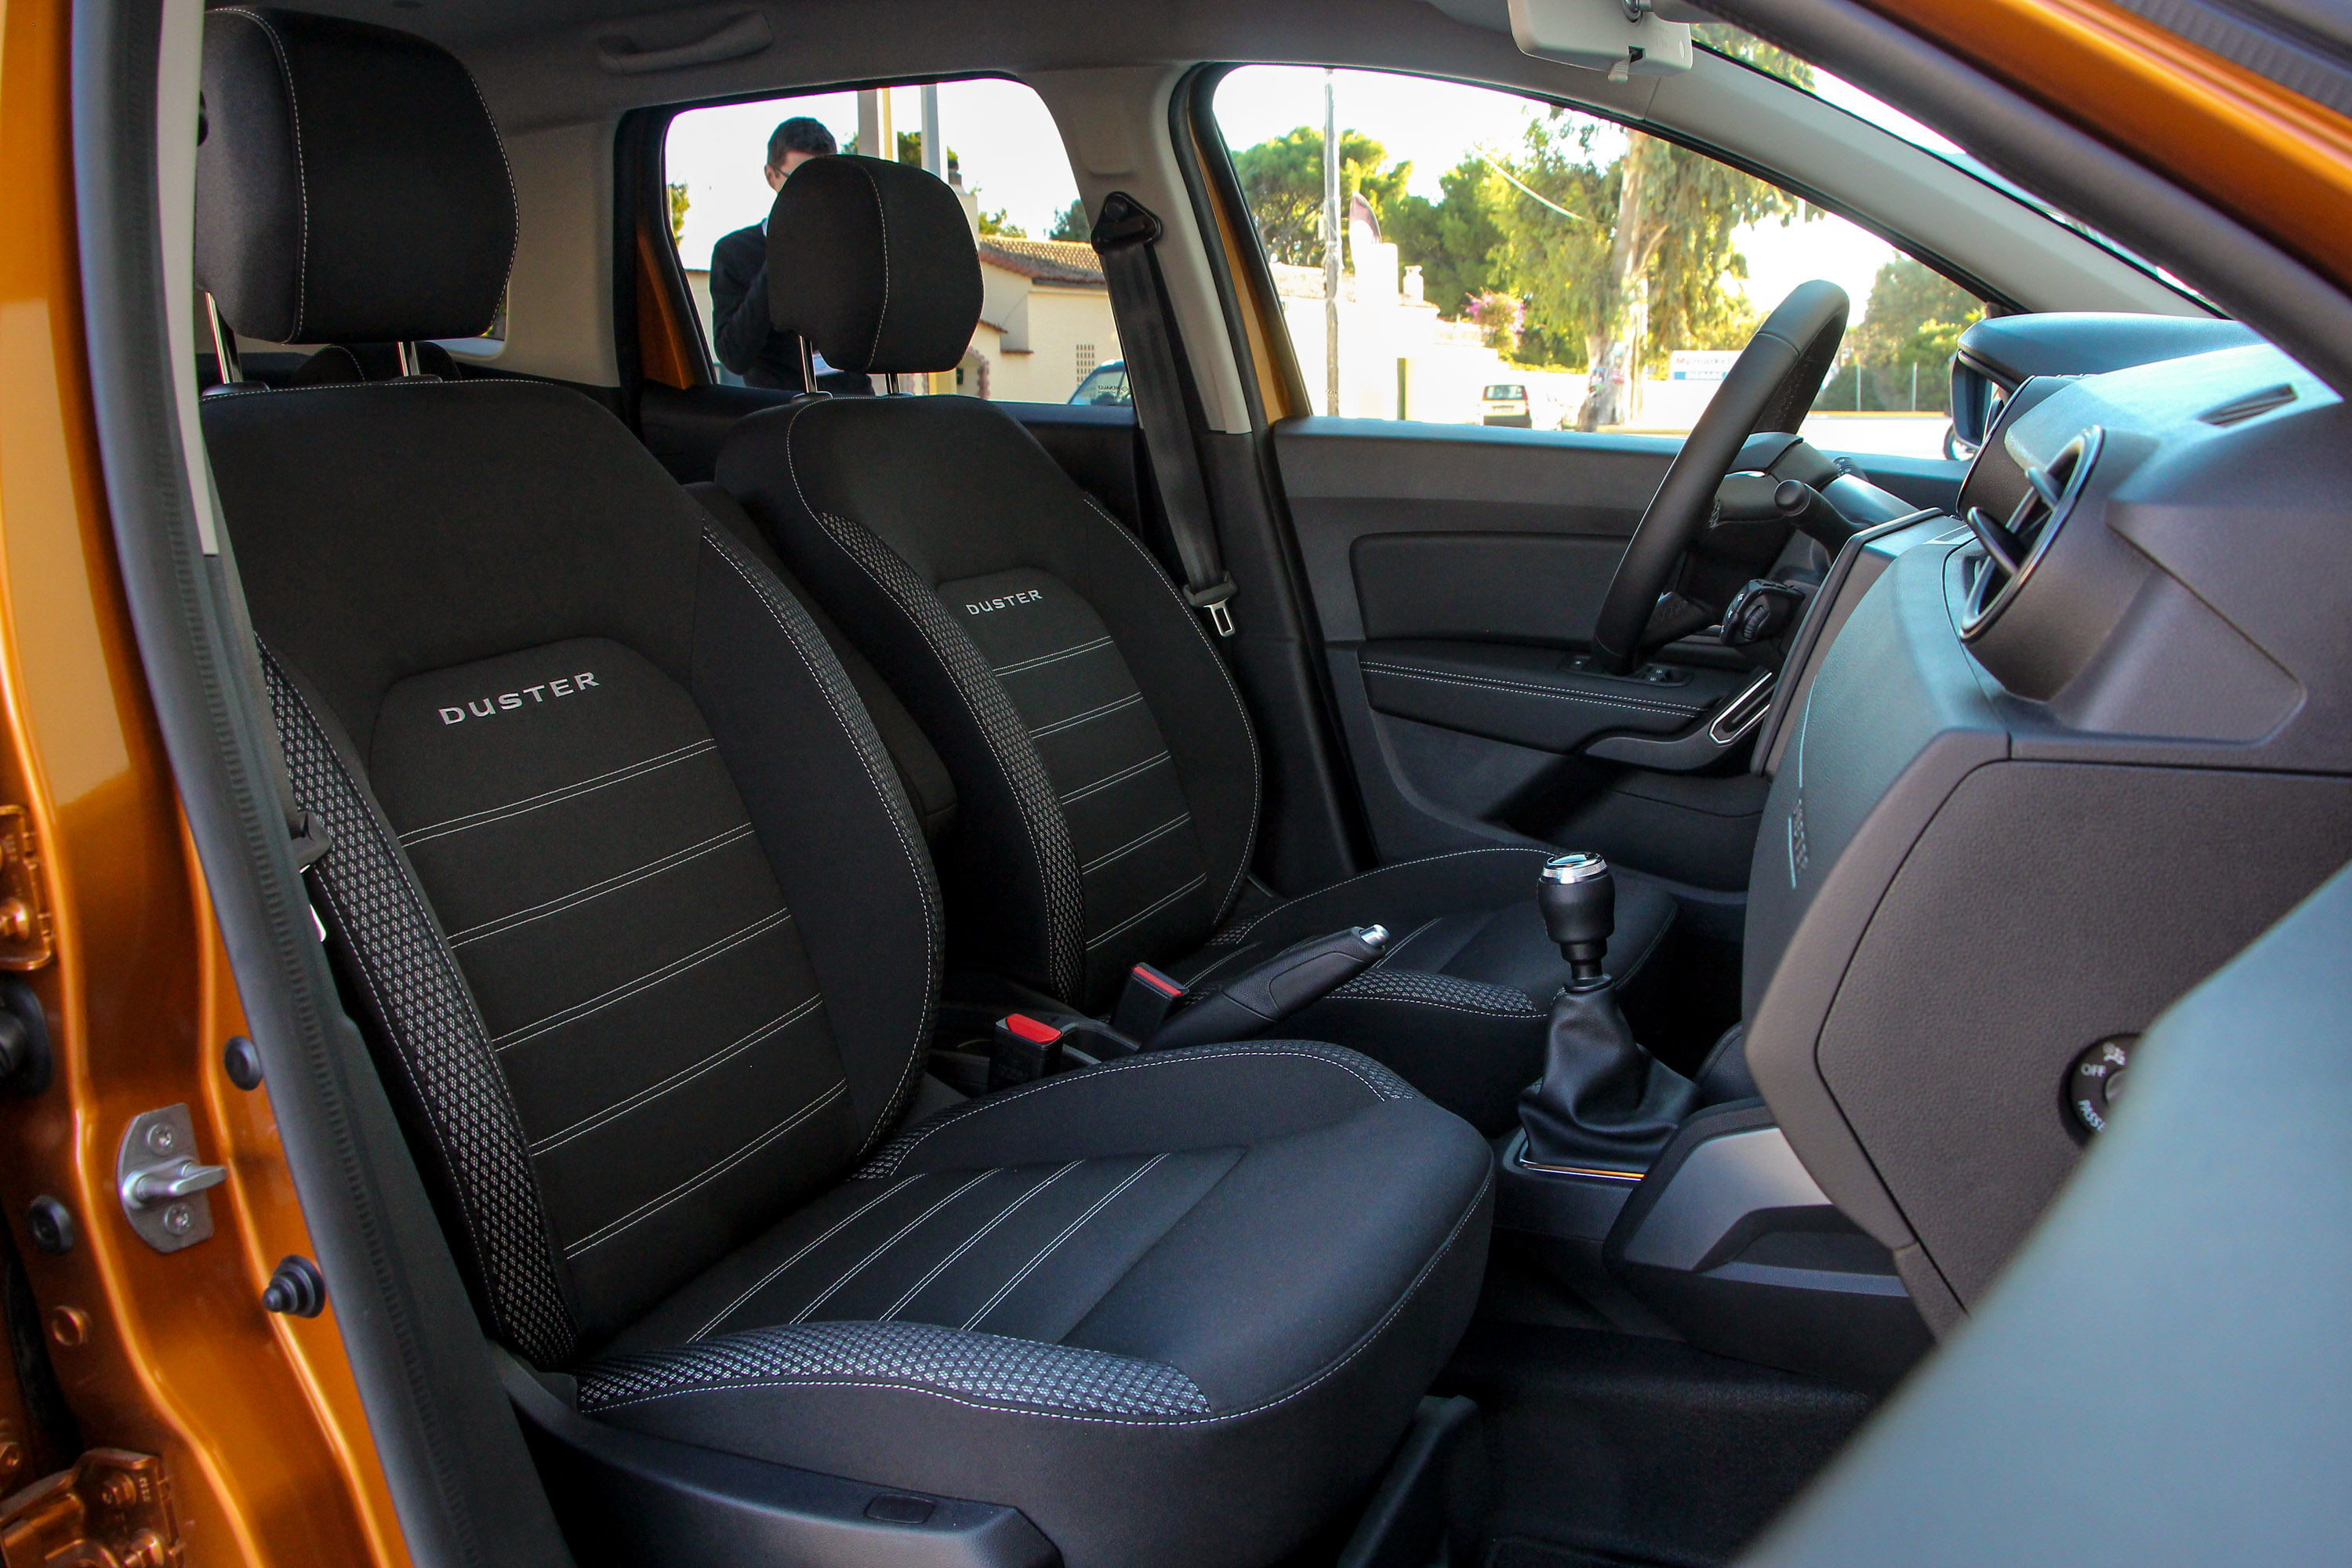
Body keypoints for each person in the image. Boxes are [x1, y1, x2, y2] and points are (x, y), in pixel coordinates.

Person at [708, 116, 838, 390]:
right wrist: (781, 255)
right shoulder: (735, 254)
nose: (813, 192)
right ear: (772, 177)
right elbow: (734, 356)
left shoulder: (850, 246)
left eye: (824, 179)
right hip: (781, 405)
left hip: (852, 401)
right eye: (800, 179)